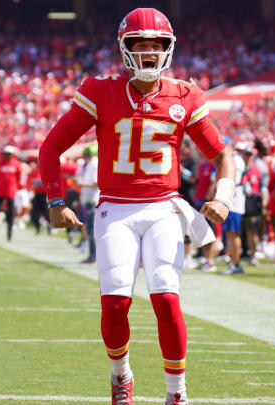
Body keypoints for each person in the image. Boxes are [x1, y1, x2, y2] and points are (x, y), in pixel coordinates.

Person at [38, 8, 235, 405]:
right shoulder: (101, 90)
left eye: (156, 45)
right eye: (139, 45)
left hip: (164, 207)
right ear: (125, 49)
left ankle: (177, 393)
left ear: (168, 49)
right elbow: (52, 146)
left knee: (166, 297)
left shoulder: (184, 94)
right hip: (116, 208)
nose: (148, 53)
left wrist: (223, 195)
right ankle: (120, 375)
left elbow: (222, 154)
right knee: (115, 303)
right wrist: (56, 200)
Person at [220, 142, 248, 275]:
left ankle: (235, 264)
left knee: (233, 234)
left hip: (234, 202)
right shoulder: (236, 159)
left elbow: (235, 180)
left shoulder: (236, 160)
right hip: (233, 201)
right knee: (231, 234)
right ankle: (234, 262)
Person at [0, 145, 22, 241]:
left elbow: (19, 177)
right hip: (0, 192)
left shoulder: (16, 164)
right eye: (5, 154)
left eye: (8, 154)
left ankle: (9, 235)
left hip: (11, 193)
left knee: (10, 214)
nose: (7, 156)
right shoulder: (0, 163)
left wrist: (14, 188)